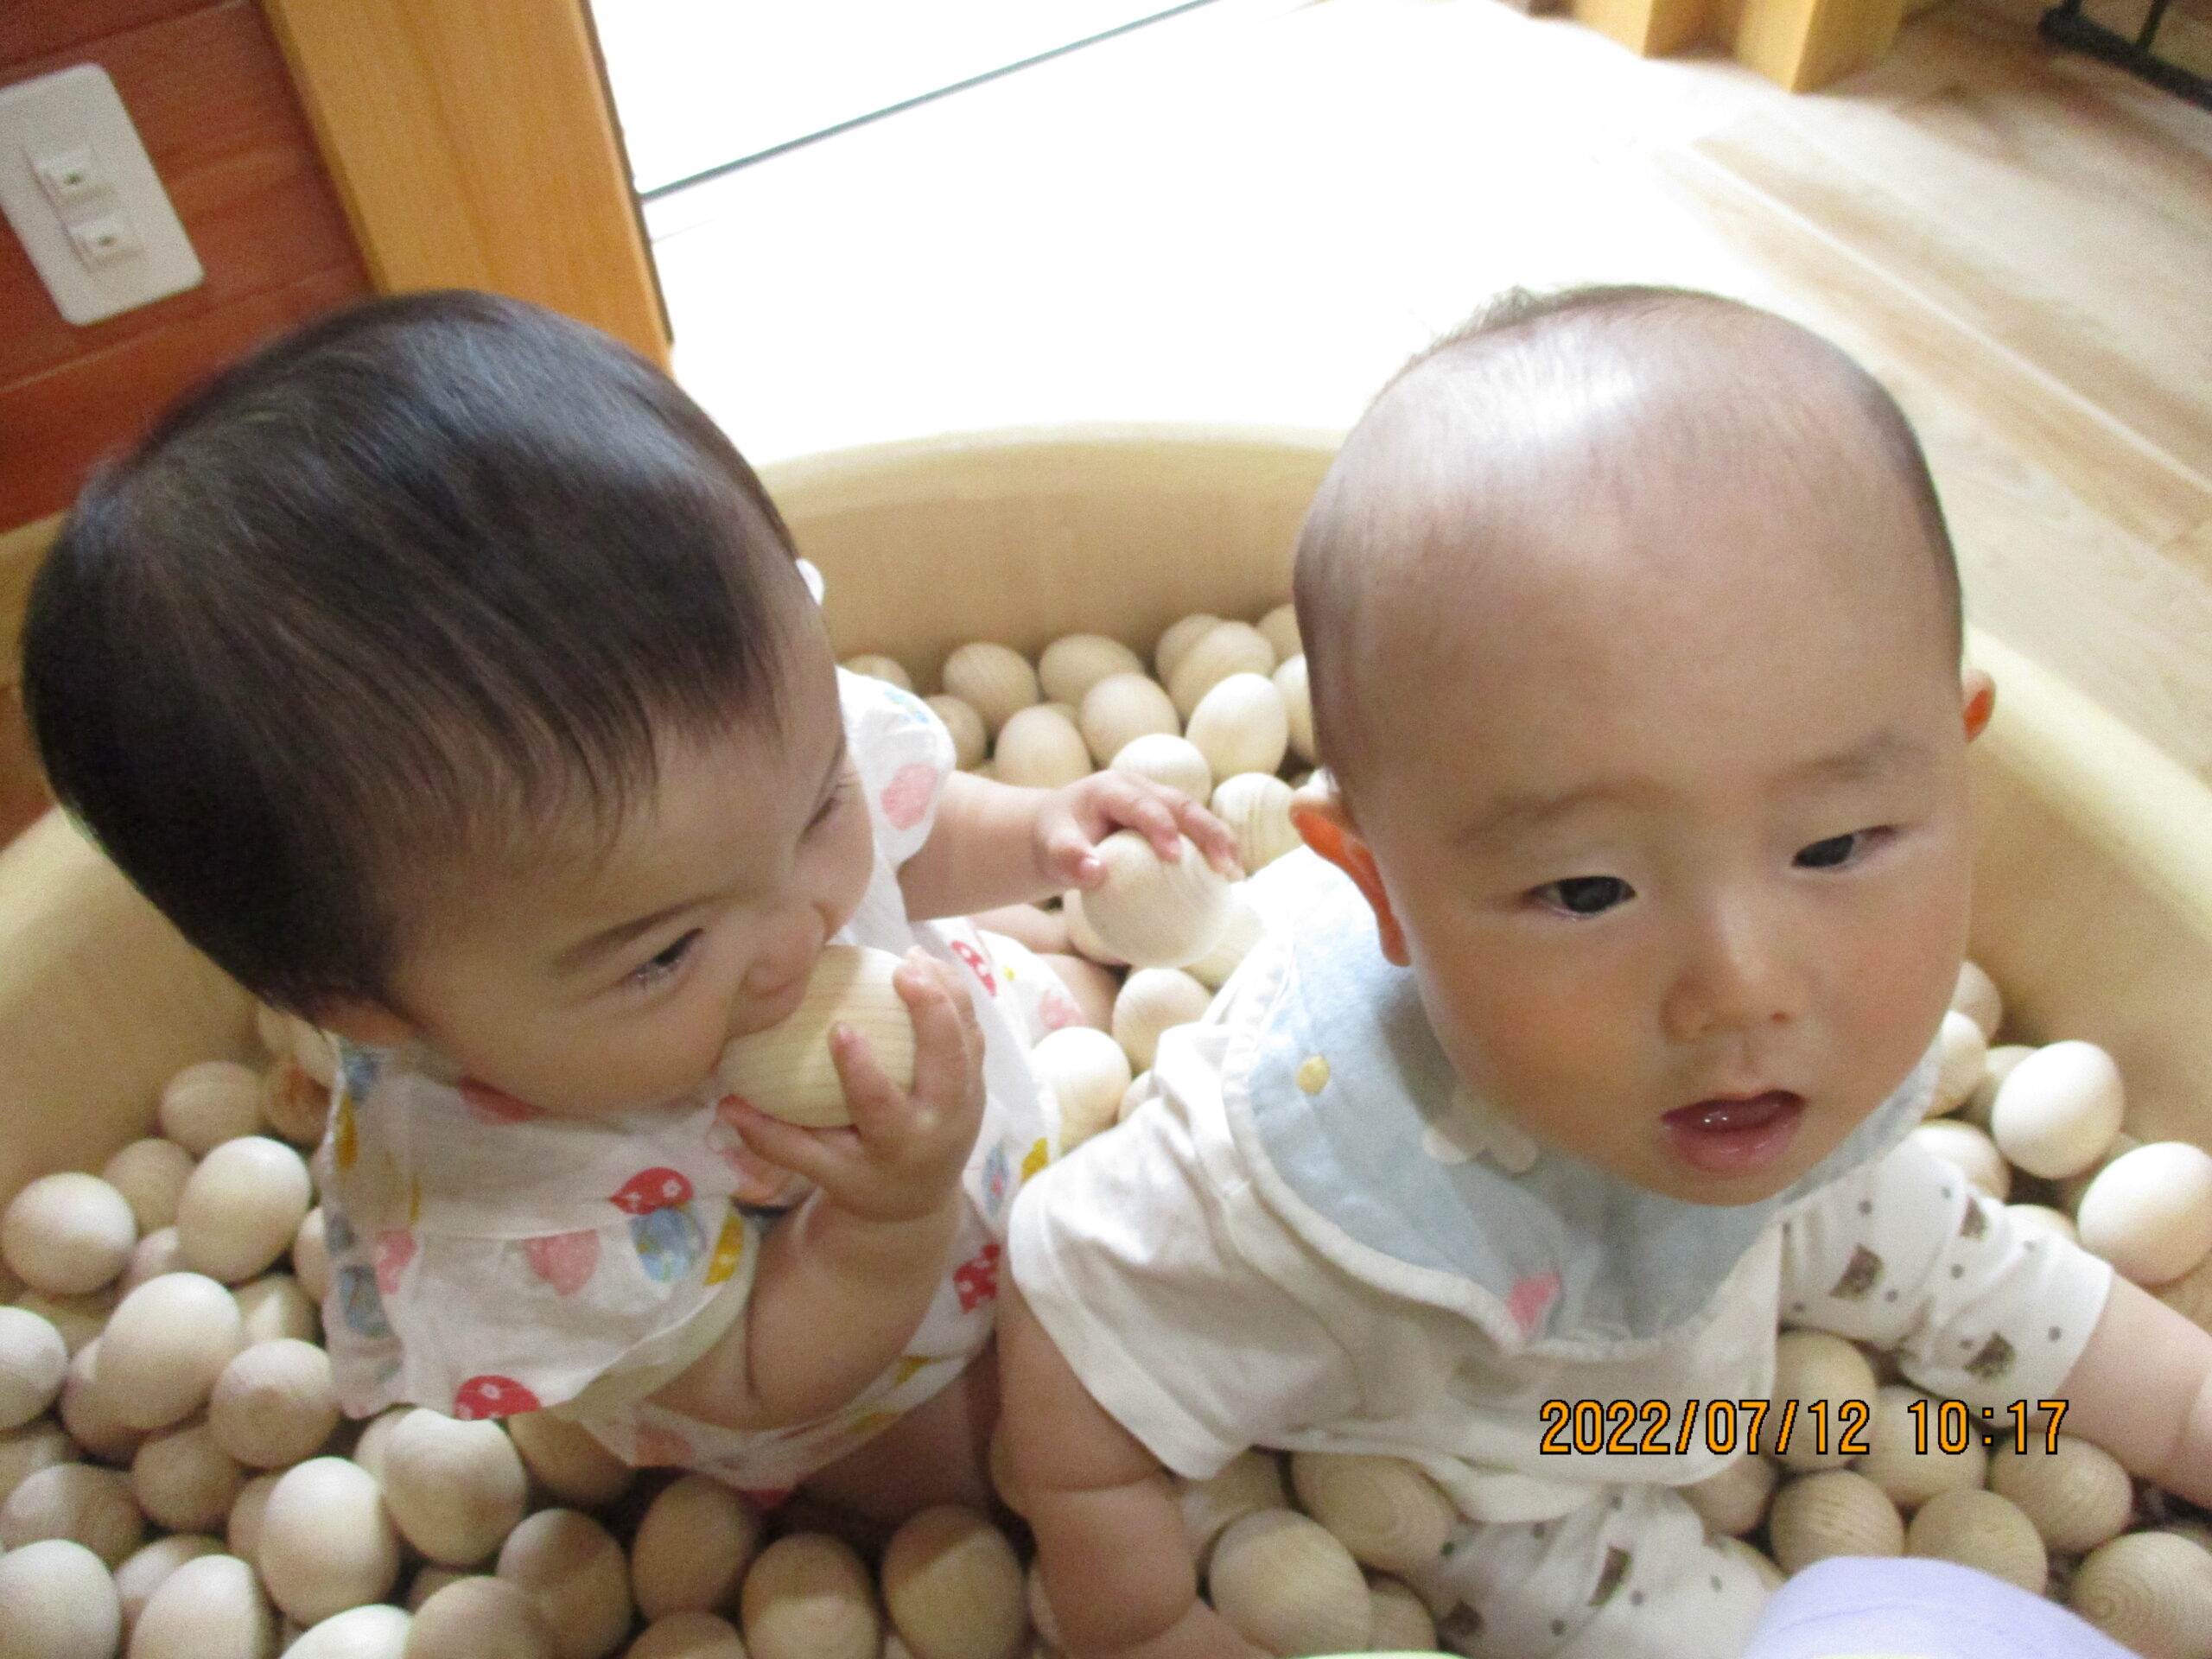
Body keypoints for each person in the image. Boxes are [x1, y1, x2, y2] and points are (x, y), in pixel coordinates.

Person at [998, 285, 2212, 1656]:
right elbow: (1068, 1299)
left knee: (1962, 1275)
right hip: (1506, 1432)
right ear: (1381, 891)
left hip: (1746, 1236)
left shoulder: (1787, 1061)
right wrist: (1134, 1611)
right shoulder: (1316, 1175)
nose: (1742, 985)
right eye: (1586, 890)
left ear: (1955, 767)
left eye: (1833, 845)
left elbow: (1966, 1268)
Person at [21, 289, 1233, 1522]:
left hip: (949, 1087)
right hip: (857, 1342)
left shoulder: (730, 781)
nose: (802, 932)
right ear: (367, 1005)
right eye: (664, 954)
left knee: (1042, 982)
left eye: (818, 805)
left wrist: (1042, 831)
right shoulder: (512, 1211)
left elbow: (909, 826)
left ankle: (1044, 1042)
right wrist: (891, 1221)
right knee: (966, 1477)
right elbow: (754, 1376)